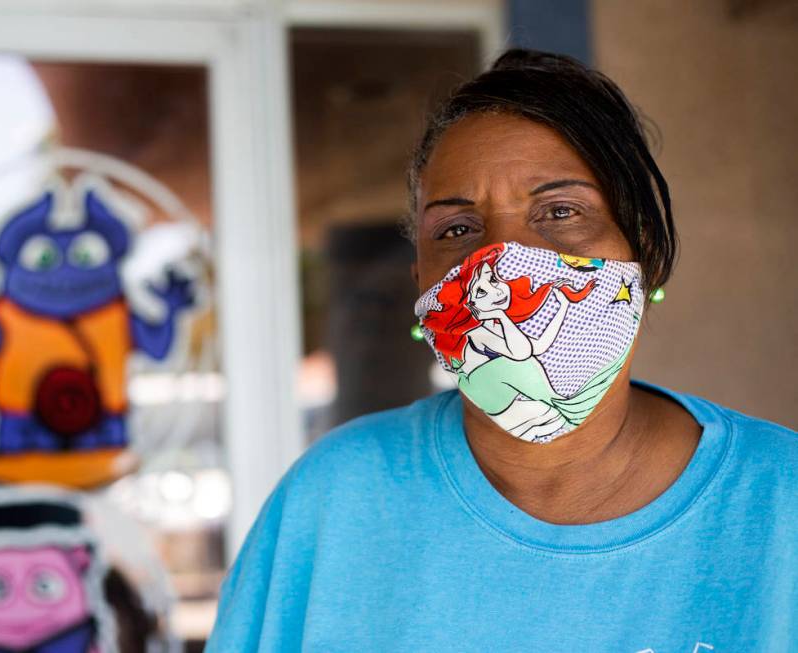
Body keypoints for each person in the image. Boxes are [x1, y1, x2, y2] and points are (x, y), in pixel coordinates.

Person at [206, 49, 797, 652]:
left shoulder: (781, 504)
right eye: (457, 230)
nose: (505, 259)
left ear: (642, 252)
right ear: (423, 286)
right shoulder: (333, 501)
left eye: (561, 211)